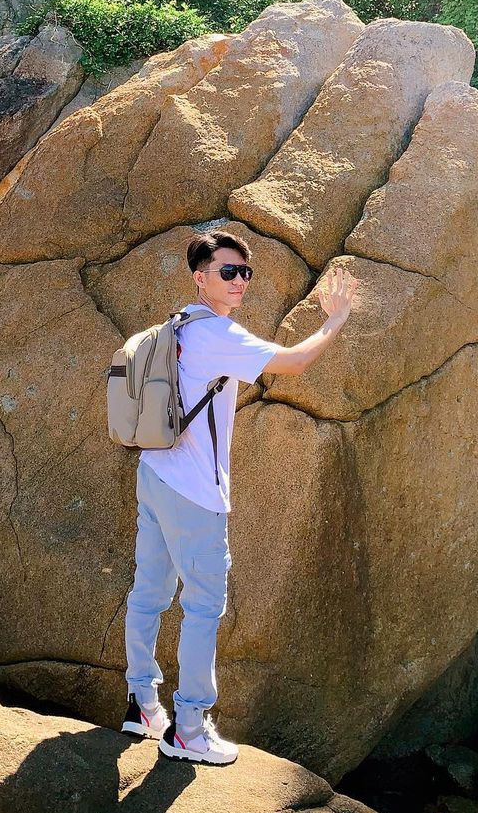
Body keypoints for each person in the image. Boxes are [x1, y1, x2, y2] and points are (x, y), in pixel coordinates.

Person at [121, 228, 357, 765]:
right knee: (204, 605)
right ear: (200, 277)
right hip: (195, 492)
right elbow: (295, 362)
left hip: (155, 473)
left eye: (245, 273)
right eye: (228, 272)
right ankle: (189, 727)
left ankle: (141, 703)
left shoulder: (178, 324)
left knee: (150, 591)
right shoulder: (217, 336)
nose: (239, 282)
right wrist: (336, 317)